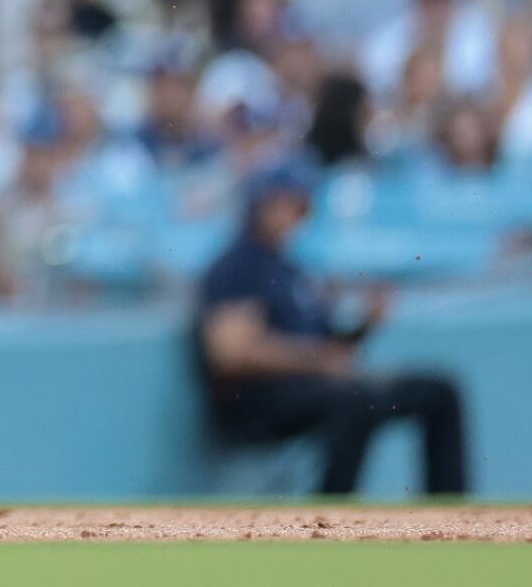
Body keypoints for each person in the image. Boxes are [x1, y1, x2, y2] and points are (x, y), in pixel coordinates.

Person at [196, 158, 469, 497]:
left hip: (316, 386)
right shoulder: (238, 265)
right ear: (261, 205)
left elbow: (333, 350)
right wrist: (318, 361)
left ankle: (450, 512)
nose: (297, 213)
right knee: (355, 398)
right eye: (287, 202)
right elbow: (231, 352)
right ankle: (331, 513)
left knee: (439, 390)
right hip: (258, 401)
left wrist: (365, 325)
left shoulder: (291, 266)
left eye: (301, 203)